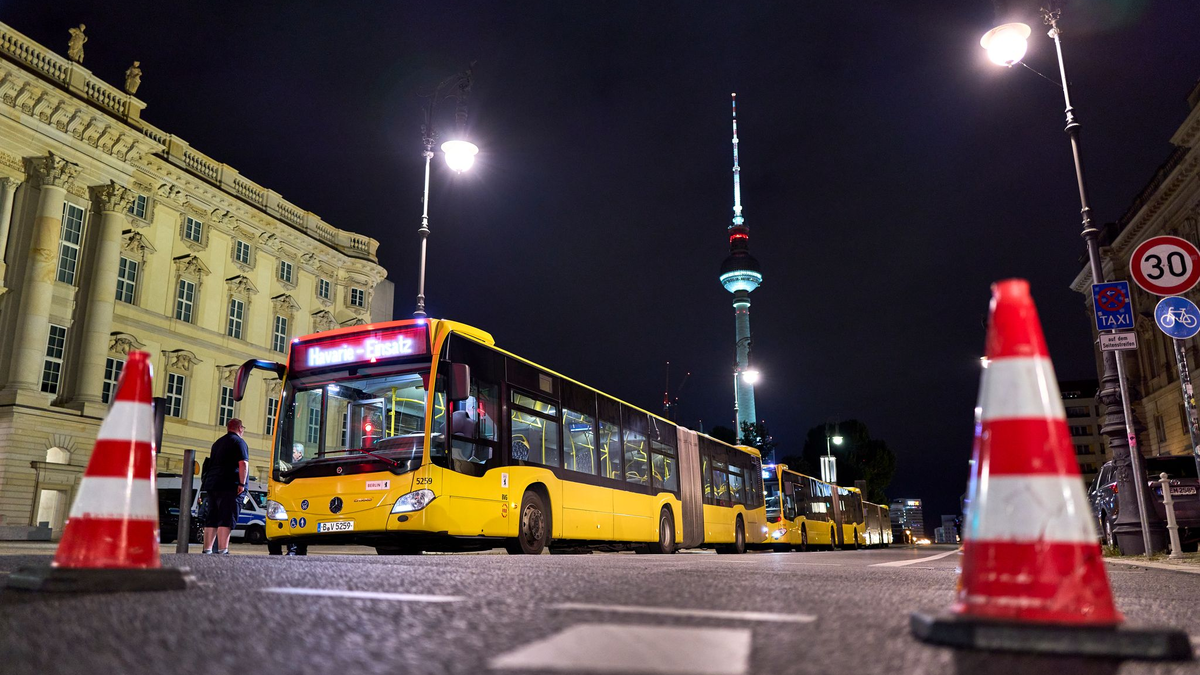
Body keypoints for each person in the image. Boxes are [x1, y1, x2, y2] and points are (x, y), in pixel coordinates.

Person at [201, 418, 249, 554]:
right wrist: (242, 483)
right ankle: (223, 549)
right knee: (226, 518)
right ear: (240, 428)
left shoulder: (217, 443)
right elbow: (243, 464)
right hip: (229, 484)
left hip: (212, 484)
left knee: (212, 517)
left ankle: (207, 550)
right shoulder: (239, 442)